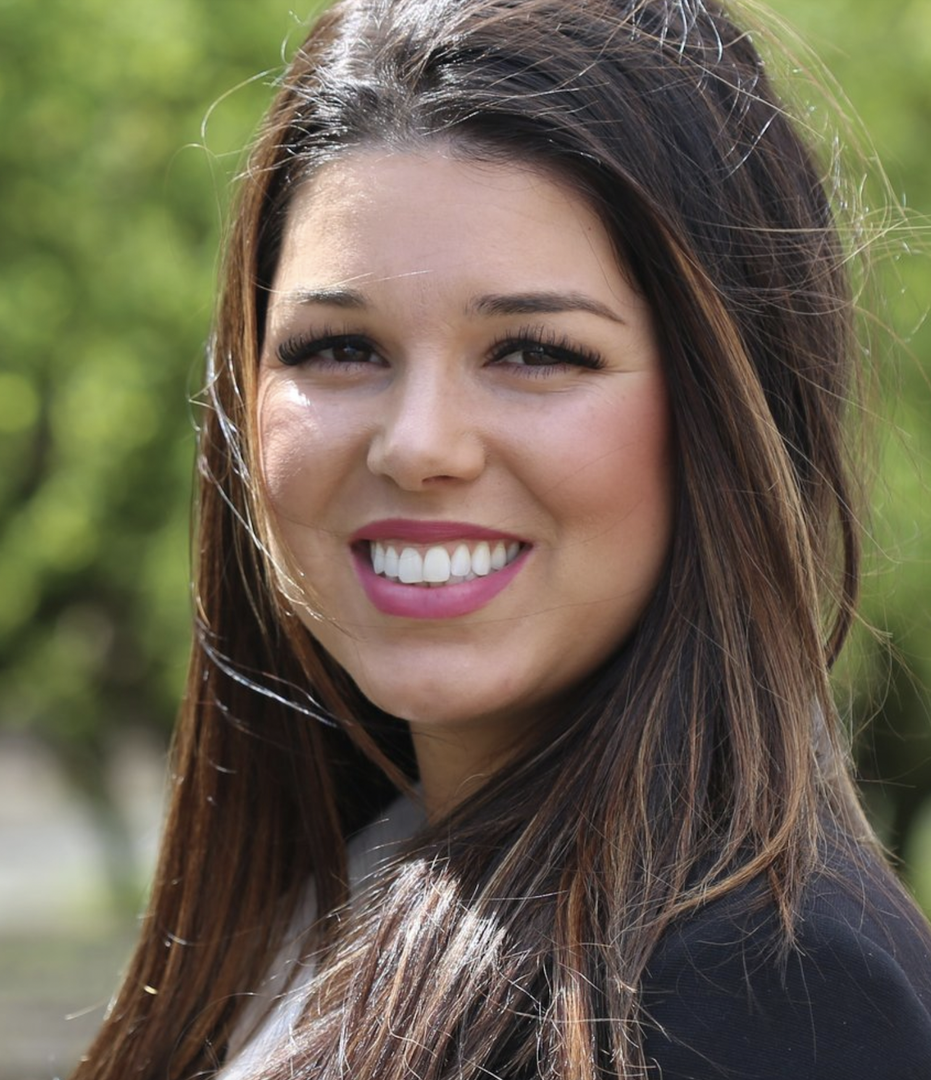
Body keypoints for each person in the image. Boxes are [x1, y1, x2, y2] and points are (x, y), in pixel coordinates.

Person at [71, 1, 931, 1077]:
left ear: (735, 409)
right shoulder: (341, 886)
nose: (420, 445)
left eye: (534, 351)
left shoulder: (765, 993)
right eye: (338, 347)